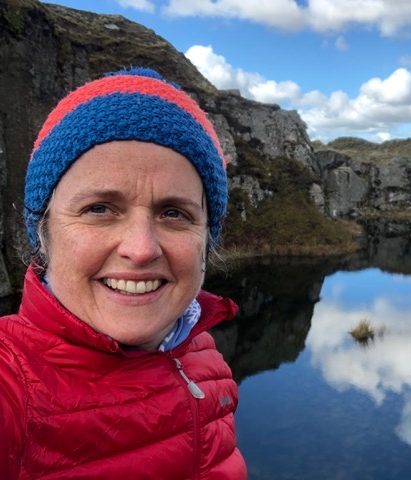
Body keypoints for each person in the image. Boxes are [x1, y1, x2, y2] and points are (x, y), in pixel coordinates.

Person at [0, 68, 247, 479]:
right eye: (98, 208)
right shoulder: (12, 382)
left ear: (206, 237)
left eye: (174, 213)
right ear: (44, 231)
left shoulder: (201, 352)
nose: (141, 248)